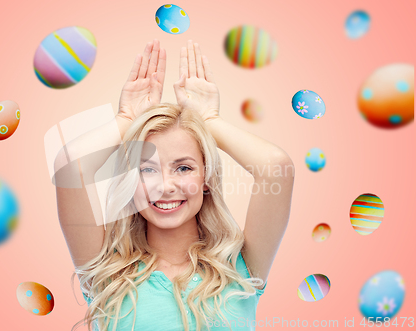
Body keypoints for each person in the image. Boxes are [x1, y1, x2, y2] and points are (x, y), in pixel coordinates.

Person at [54, 39, 294, 331]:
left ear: (206, 178)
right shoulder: (107, 273)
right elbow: (70, 167)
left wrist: (208, 119)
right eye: (147, 170)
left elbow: (276, 167)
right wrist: (126, 118)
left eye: (183, 167)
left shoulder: (241, 267)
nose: (165, 186)